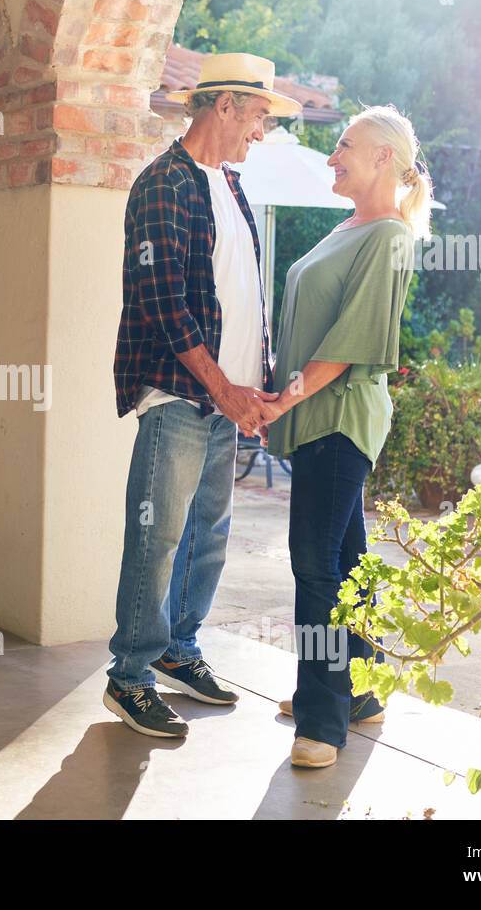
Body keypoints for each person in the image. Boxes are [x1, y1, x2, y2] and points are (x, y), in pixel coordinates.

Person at [106, 53, 303, 737]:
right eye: (258, 117)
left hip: (226, 400)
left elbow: (240, 294)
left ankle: (177, 649)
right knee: (158, 533)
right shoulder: (164, 183)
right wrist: (224, 391)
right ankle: (129, 674)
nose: (261, 132)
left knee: (206, 536)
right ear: (224, 106)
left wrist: (260, 385)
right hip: (181, 396)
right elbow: (165, 306)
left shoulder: (229, 183)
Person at [258, 105, 430, 767]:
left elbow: (343, 350)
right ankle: (360, 690)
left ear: (384, 156)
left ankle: (322, 719)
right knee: (348, 560)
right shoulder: (347, 228)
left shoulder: (388, 237)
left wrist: (277, 404)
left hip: (339, 416)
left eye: (344, 146)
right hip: (315, 415)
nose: (333, 157)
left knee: (314, 563)